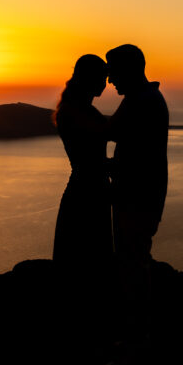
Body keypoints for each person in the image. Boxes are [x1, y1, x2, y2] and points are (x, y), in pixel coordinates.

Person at [105, 44, 168, 342]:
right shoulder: (144, 97)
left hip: (137, 198)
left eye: (112, 71)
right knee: (133, 261)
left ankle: (136, 343)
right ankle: (137, 338)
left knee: (132, 265)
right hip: (142, 195)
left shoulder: (141, 100)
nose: (109, 80)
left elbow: (111, 131)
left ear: (128, 70)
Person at [52, 54, 113, 272]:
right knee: (87, 263)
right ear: (89, 78)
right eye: (102, 78)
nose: (105, 84)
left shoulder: (77, 108)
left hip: (89, 190)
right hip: (87, 194)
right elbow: (92, 159)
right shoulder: (76, 111)